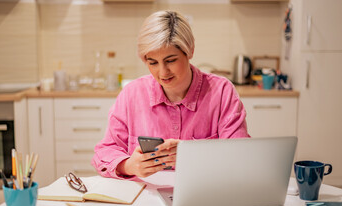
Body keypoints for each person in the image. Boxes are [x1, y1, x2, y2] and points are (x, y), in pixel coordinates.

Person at [92, 10, 250, 180]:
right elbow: (105, 151)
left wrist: (193, 154)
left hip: (205, 192)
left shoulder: (221, 92)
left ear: (190, 50)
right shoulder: (132, 94)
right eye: (152, 62)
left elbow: (239, 154)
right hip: (145, 198)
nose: (162, 72)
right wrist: (128, 165)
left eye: (170, 60)